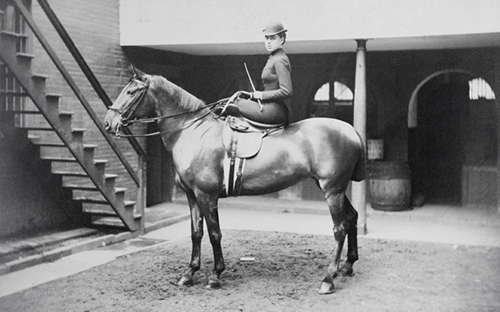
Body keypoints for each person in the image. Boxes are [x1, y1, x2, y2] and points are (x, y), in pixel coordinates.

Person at [231, 21, 293, 125]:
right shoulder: (273, 57)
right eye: (266, 38)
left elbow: (286, 91)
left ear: (281, 39)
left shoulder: (279, 60)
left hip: (276, 110)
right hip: (268, 106)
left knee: (236, 105)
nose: (268, 42)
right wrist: (252, 95)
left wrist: (261, 95)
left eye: (273, 38)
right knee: (233, 102)